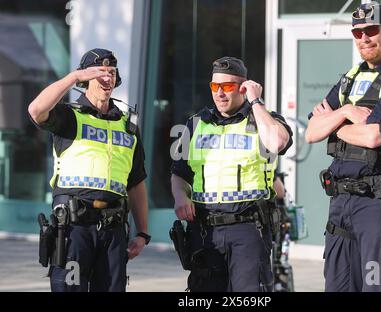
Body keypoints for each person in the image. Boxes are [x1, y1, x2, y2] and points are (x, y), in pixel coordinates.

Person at [305, 1, 381, 292]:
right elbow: (311, 132)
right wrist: (346, 113)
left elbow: (375, 137)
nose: (364, 38)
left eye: (371, 30)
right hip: (341, 203)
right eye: (357, 33)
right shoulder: (350, 79)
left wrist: (334, 125)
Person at [28, 48, 151, 292]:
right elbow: (36, 110)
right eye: (100, 73)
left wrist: (143, 233)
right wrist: (73, 76)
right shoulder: (69, 116)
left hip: (114, 229)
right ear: (85, 79)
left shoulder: (128, 124)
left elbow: (136, 181)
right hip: (74, 229)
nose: (107, 78)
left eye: (111, 72)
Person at [171, 56, 293, 292]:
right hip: (205, 231)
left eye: (226, 87)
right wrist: (180, 196)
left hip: (248, 229)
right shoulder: (195, 124)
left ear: (243, 87)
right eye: (215, 87)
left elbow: (277, 142)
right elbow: (179, 174)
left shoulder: (264, 120)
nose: (220, 94)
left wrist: (256, 101)